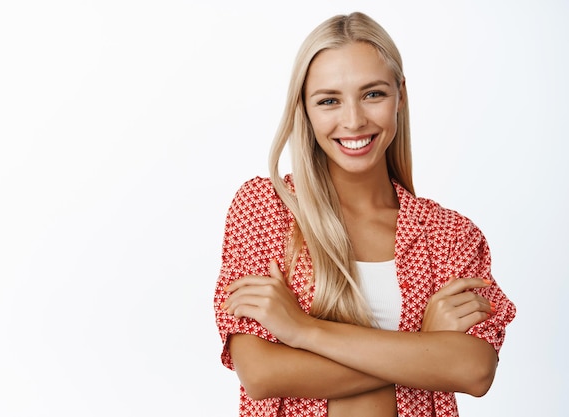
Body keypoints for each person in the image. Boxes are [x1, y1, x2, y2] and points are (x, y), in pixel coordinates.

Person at [213, 11, 516, 417]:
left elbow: (474, 369)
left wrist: (303, 331)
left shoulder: (449, 234)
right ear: (303, 106)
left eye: (373, 94)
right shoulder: (266, 207)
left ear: (400, 94)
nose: (353, 120)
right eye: (329, 101)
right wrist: (423, 345)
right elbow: (261, 373)